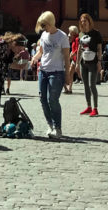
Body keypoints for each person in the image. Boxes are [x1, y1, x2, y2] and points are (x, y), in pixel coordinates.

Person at [30, 11, 69, 139]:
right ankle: (50, 125)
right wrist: (34, 58)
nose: (43, 28)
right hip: (43, 71)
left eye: (44, 25)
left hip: (57, 72)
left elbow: (67, 57)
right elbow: (41, 52)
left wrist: (67, 75)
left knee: (53, 99)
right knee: (43, 99)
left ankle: (58, 128)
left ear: (50, 23)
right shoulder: (43, 36)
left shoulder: (62, 36)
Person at [77, 14, 103, 116]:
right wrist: (77, 63)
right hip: (84, 62)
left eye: (85, 21)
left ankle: (95, 108)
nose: (83, 22)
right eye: (82, 21)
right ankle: (88, 107)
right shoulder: (81, 34)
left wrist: (99, 61)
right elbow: (80, 49)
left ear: (89, 21)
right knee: (85, 85)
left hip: (93, 62)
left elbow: (99, 48)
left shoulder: (96, 33)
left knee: (92, 85)